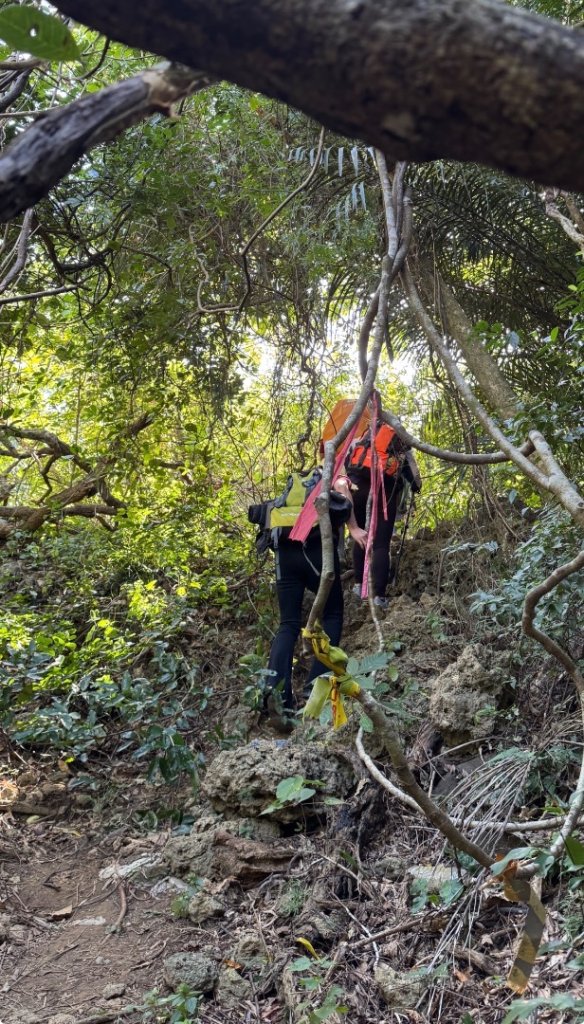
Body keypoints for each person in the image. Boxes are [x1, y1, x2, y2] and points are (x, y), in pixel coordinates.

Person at [265, 472, 367, 717]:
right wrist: (353, 527)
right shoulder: (334, 473)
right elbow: (342, 487)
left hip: (284, 550)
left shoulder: (296, 490)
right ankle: (314, 689)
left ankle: (276, 696)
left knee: (288, 624)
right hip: (315, 548)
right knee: (332, 615)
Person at [347, 436, 421, 609]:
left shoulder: (360, 439)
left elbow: (346, 465)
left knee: (359, 534)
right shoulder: (400, 444)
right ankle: (378, 597)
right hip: (384, 492)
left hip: (356, 490)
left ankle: (359, 586)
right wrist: (413, 485)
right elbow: (416, 481)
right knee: (381, 545)